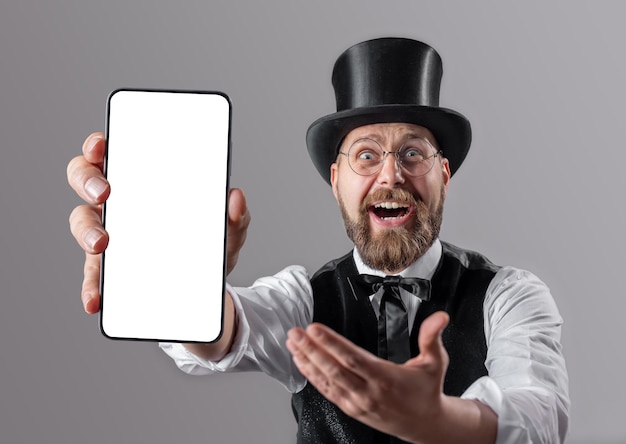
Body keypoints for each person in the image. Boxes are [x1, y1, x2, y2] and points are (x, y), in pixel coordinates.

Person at [67, 37, 569, 443]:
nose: (391, 175)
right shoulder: (303, 302)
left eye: (412, 153)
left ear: (444, 174)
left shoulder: (510, 296)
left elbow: (539, 414)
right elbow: (220, 335)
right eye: (367, 156)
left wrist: (440, 424)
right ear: (336, 181)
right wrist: (177, 268)